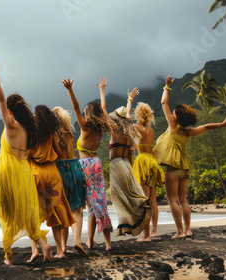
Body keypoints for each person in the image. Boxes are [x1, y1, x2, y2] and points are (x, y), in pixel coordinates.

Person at [0, 59, 52, 264]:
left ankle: (8, 257)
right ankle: (44, 246)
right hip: (24, 172)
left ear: (11, 112)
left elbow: (1, 100)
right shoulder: (28, 130)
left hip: (7, 173)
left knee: (6, 212)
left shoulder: (11, 125)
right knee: (27, 213)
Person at [154, 75, 226, 239]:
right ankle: (188, 230)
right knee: (183, 200)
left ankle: (179, 232)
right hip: (184, 168)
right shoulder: (188, 132)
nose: (171, 112)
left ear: (177, 117)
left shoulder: (173, 127)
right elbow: (205, 127)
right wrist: (221, 124)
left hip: (173, 169)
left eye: (174, 112)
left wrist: (167, 86)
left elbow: (164, 103)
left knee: (172, 200)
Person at [62, 78, 113, 251]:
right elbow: (104, 109)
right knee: (98, 203)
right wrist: (102, 91)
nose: (82, 112)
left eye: (85, 111)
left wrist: (70, 89)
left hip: (83, 165)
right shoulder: (101, 128)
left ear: (88, 113)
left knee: (81, 204)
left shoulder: (85, 127)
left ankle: (80, 240)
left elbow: (75, 108)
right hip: (96, 164)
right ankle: (105, 243)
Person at [28, 105, 76, 260]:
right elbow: (60, 154)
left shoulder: (31, 134)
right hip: (53, 173)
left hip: (36, 173)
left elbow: (26, 154)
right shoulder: (49, 134)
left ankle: (35, 249)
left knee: (33, 211)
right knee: (54, 213)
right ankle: (60, 251)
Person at [104, 86, 151, 237]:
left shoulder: (114, 130)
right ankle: (130, 221)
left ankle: (124, 226)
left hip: (116, 164)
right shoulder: (129, 129)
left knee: (118, 198)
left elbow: (104, 109)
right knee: (128, 195)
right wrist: (130, 99)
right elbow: (128, 114)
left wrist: (102, 91)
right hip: (126, 164)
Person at [52, 106, 88, 255]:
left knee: (62, 209)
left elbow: (57, 153)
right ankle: (77, 241)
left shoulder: (52, 134)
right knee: (77, 208)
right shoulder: (70, 132)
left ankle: (62, 247)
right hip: (75, 167)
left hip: (60, 169)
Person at [130, 101, 164, 242]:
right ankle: (154, 231)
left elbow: (126, 121)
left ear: (138, 115)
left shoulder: (136, 127)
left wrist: (129, 100)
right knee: (153, 201)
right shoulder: (151, 130)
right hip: (152, 162)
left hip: (142, 162)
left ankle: (146, 235)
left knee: (144, 201)